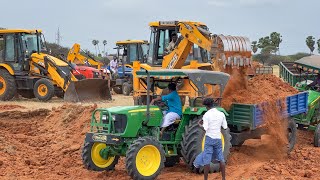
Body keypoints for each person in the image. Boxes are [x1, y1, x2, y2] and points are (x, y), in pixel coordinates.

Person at [193, 98, 228, 180]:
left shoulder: (206, 115)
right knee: (221, 159)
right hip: (218, 139)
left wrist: (199, 124)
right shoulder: (221, 114)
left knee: (207, 159)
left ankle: (205, 179)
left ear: (206, 106)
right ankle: (223, 178)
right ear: (213, 104)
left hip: (209, 139)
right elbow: (225, 127)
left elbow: (205, 128)